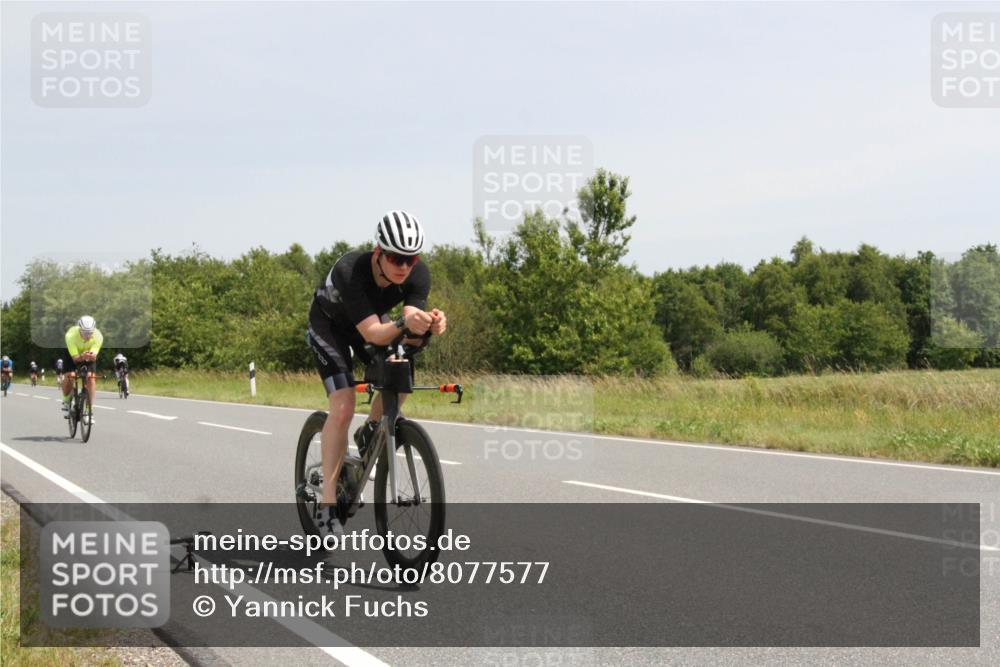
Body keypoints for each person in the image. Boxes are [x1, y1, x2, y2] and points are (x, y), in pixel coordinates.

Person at [307, 210, 447, 519]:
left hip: (370, 323)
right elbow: (373, 333)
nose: (404, 267)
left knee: (401, 371)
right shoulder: (350, 271)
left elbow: (408, 326)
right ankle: (327, 507)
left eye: (411, 259)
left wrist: (429, 325)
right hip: (330, 326)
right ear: (378, 252)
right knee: (343, 407)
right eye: (396, 258)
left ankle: (370, 429)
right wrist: (404, 323)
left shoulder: (418, 274)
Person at [61, 315, 104, 422]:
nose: (88, 335)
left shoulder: (98, 336)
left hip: (87, 354)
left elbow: (93, 356)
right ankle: (66, 400)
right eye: (85, 332)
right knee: (70, 375)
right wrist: (82, 356)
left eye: (90, 333)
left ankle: (89, 411)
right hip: (72, 355)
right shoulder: (70, 335)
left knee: (91, 378)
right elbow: (75, 359)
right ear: (80, 330)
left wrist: (91, 356)